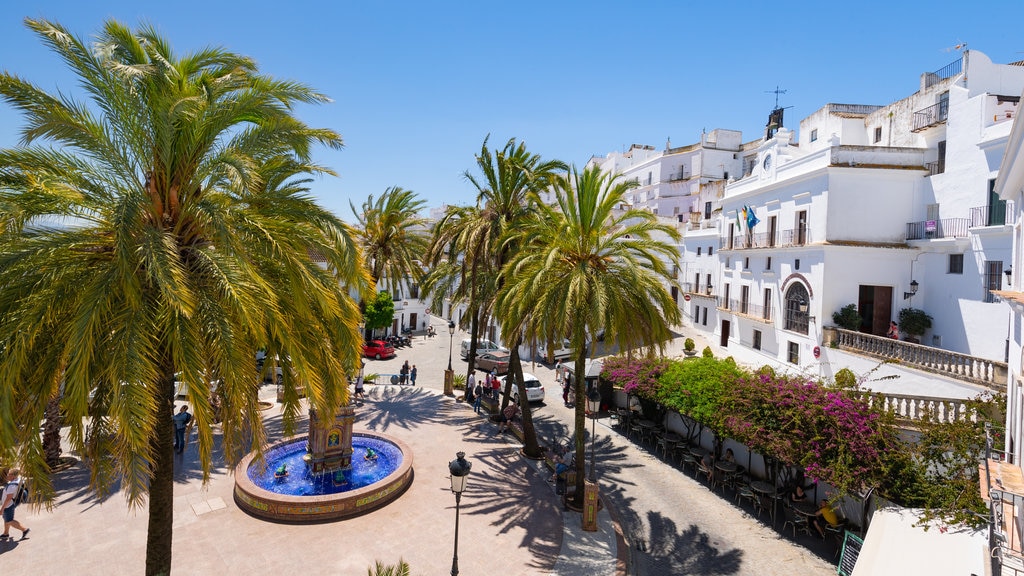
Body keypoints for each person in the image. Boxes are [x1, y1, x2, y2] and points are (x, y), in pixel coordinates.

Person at [1, 468, 29, 541]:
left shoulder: (11, 486)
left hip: (8, 505)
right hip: (12, 503)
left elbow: (8, 498)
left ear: (13, 476)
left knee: (9, 520)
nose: (7, 475)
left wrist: (2, 508)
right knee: (6, 518)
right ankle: (5, 534)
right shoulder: (18, 480)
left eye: (8, 474)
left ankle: (24, 530)